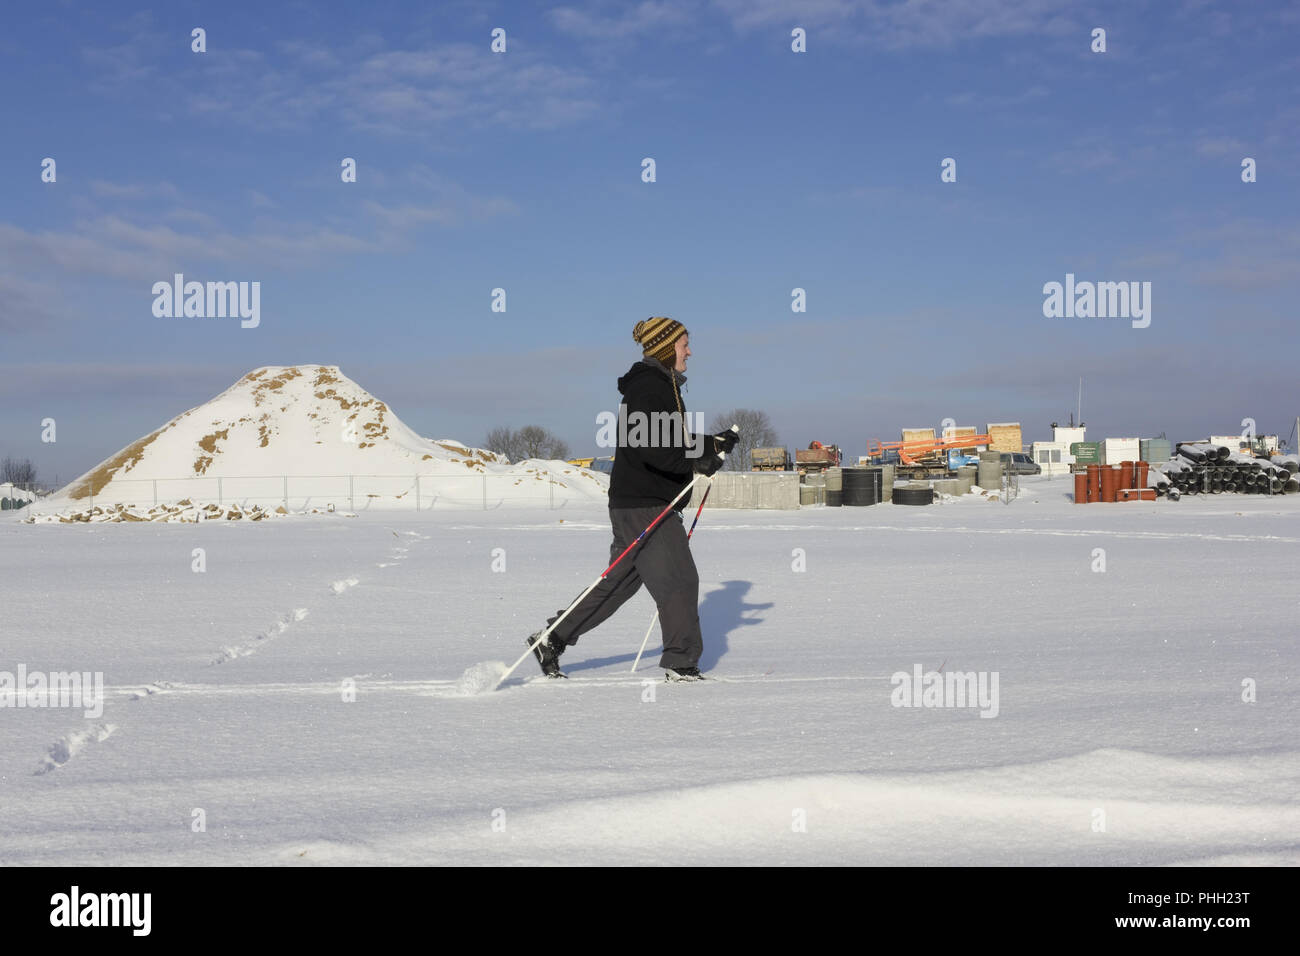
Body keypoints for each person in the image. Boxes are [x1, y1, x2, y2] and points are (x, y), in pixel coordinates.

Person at [527, 317, 738, 681]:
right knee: (679, 580)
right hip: (646, 503)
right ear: (666, 348)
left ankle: (553, 638)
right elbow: (651, 448)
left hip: (635, 502)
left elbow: (668, 440)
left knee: (619, 583)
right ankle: (681, 663)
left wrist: (710, 444)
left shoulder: (659, 386)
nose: (689, 351)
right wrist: (697, 460)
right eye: (684, 345)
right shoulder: (649, 388)